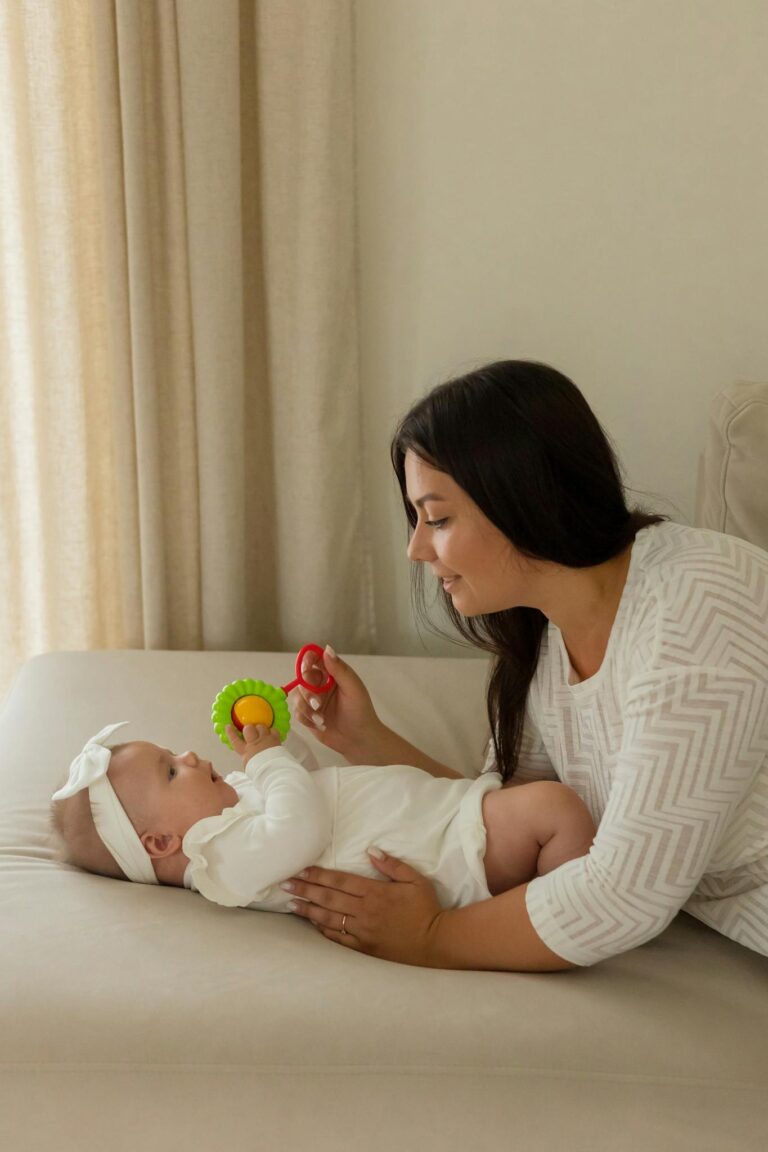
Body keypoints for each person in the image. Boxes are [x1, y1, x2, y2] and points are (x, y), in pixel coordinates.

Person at [286, 359, 768, 971]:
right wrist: (363, 738)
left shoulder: (697, 604)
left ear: (522, 496)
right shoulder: (548, 638)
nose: (415, 549)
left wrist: (431, 936)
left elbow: (625, 894)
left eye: (436, 518)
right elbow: (509, 818)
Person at [50, 717, 595, 912]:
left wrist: (282, 746)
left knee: (548, 801)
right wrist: (267, 759)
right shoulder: (221, 864)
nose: (189, 756)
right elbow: (301, 827)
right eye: (171, 770)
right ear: (161, 844)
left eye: (172, 753)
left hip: (446, 814)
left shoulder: (234, 808)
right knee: (558, 809)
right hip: (452, 852)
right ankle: (560, 919)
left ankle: (554, 901)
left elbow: (303, 786)